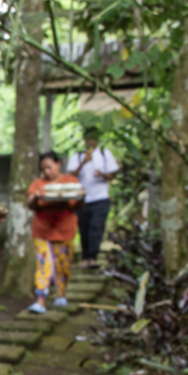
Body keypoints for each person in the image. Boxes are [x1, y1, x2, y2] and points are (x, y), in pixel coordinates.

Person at [26, 150, 83, 313]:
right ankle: (40, 300)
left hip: (65, 230)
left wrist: (81, 197)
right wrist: (37, 197)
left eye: (50, 167)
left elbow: (78, 204)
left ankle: (60, 294)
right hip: (42, 230)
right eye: (43, 169)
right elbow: (31, 203)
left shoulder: (70, 181)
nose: (47, 172)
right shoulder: (38, 184)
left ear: (58, 164)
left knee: (63, 264)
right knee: (44, 264)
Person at [65, 127, 119, 267]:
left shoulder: (105, 154)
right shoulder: (77, 156)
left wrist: (103, 175)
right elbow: (70, 176)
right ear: (84, 140)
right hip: (82, 199)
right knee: (83, 228)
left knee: (97, 227)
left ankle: (93, 257)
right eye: (89, 138)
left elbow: (112, 175)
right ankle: (85, 257)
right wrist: (83, 163)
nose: (91, 141)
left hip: (101, 198)